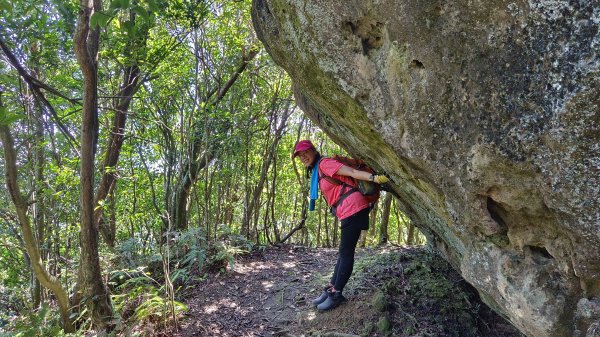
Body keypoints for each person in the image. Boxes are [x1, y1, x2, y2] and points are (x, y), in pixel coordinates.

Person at [292, 140, 389, 311]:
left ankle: (337, 294)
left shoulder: (325, 164)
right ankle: (331, 288)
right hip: (347, 210)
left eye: (305, 152)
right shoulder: (317, 170)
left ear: (314, 150)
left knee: (346, 254)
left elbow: (352, 172)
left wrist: (373, 178)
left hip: (354, 207)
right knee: (342, 253)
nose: (303, 157)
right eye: (300, 156)